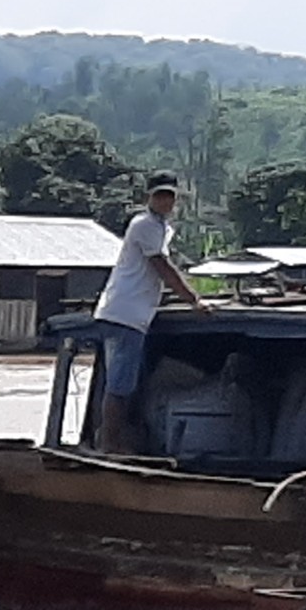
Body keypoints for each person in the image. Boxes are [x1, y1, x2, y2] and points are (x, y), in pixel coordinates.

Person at [92, 171, 211, 453]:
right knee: (120, 385)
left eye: (169, 196)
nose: (165, 201)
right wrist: (194, 300)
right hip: (125, 314)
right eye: (160, 195)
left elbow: (158, 271)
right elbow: (162, 267)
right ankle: (110, 444)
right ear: (149, 197)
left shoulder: (160, 228)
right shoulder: (145, 224)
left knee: (127, 382)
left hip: (131, 313)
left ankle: (118, 440)